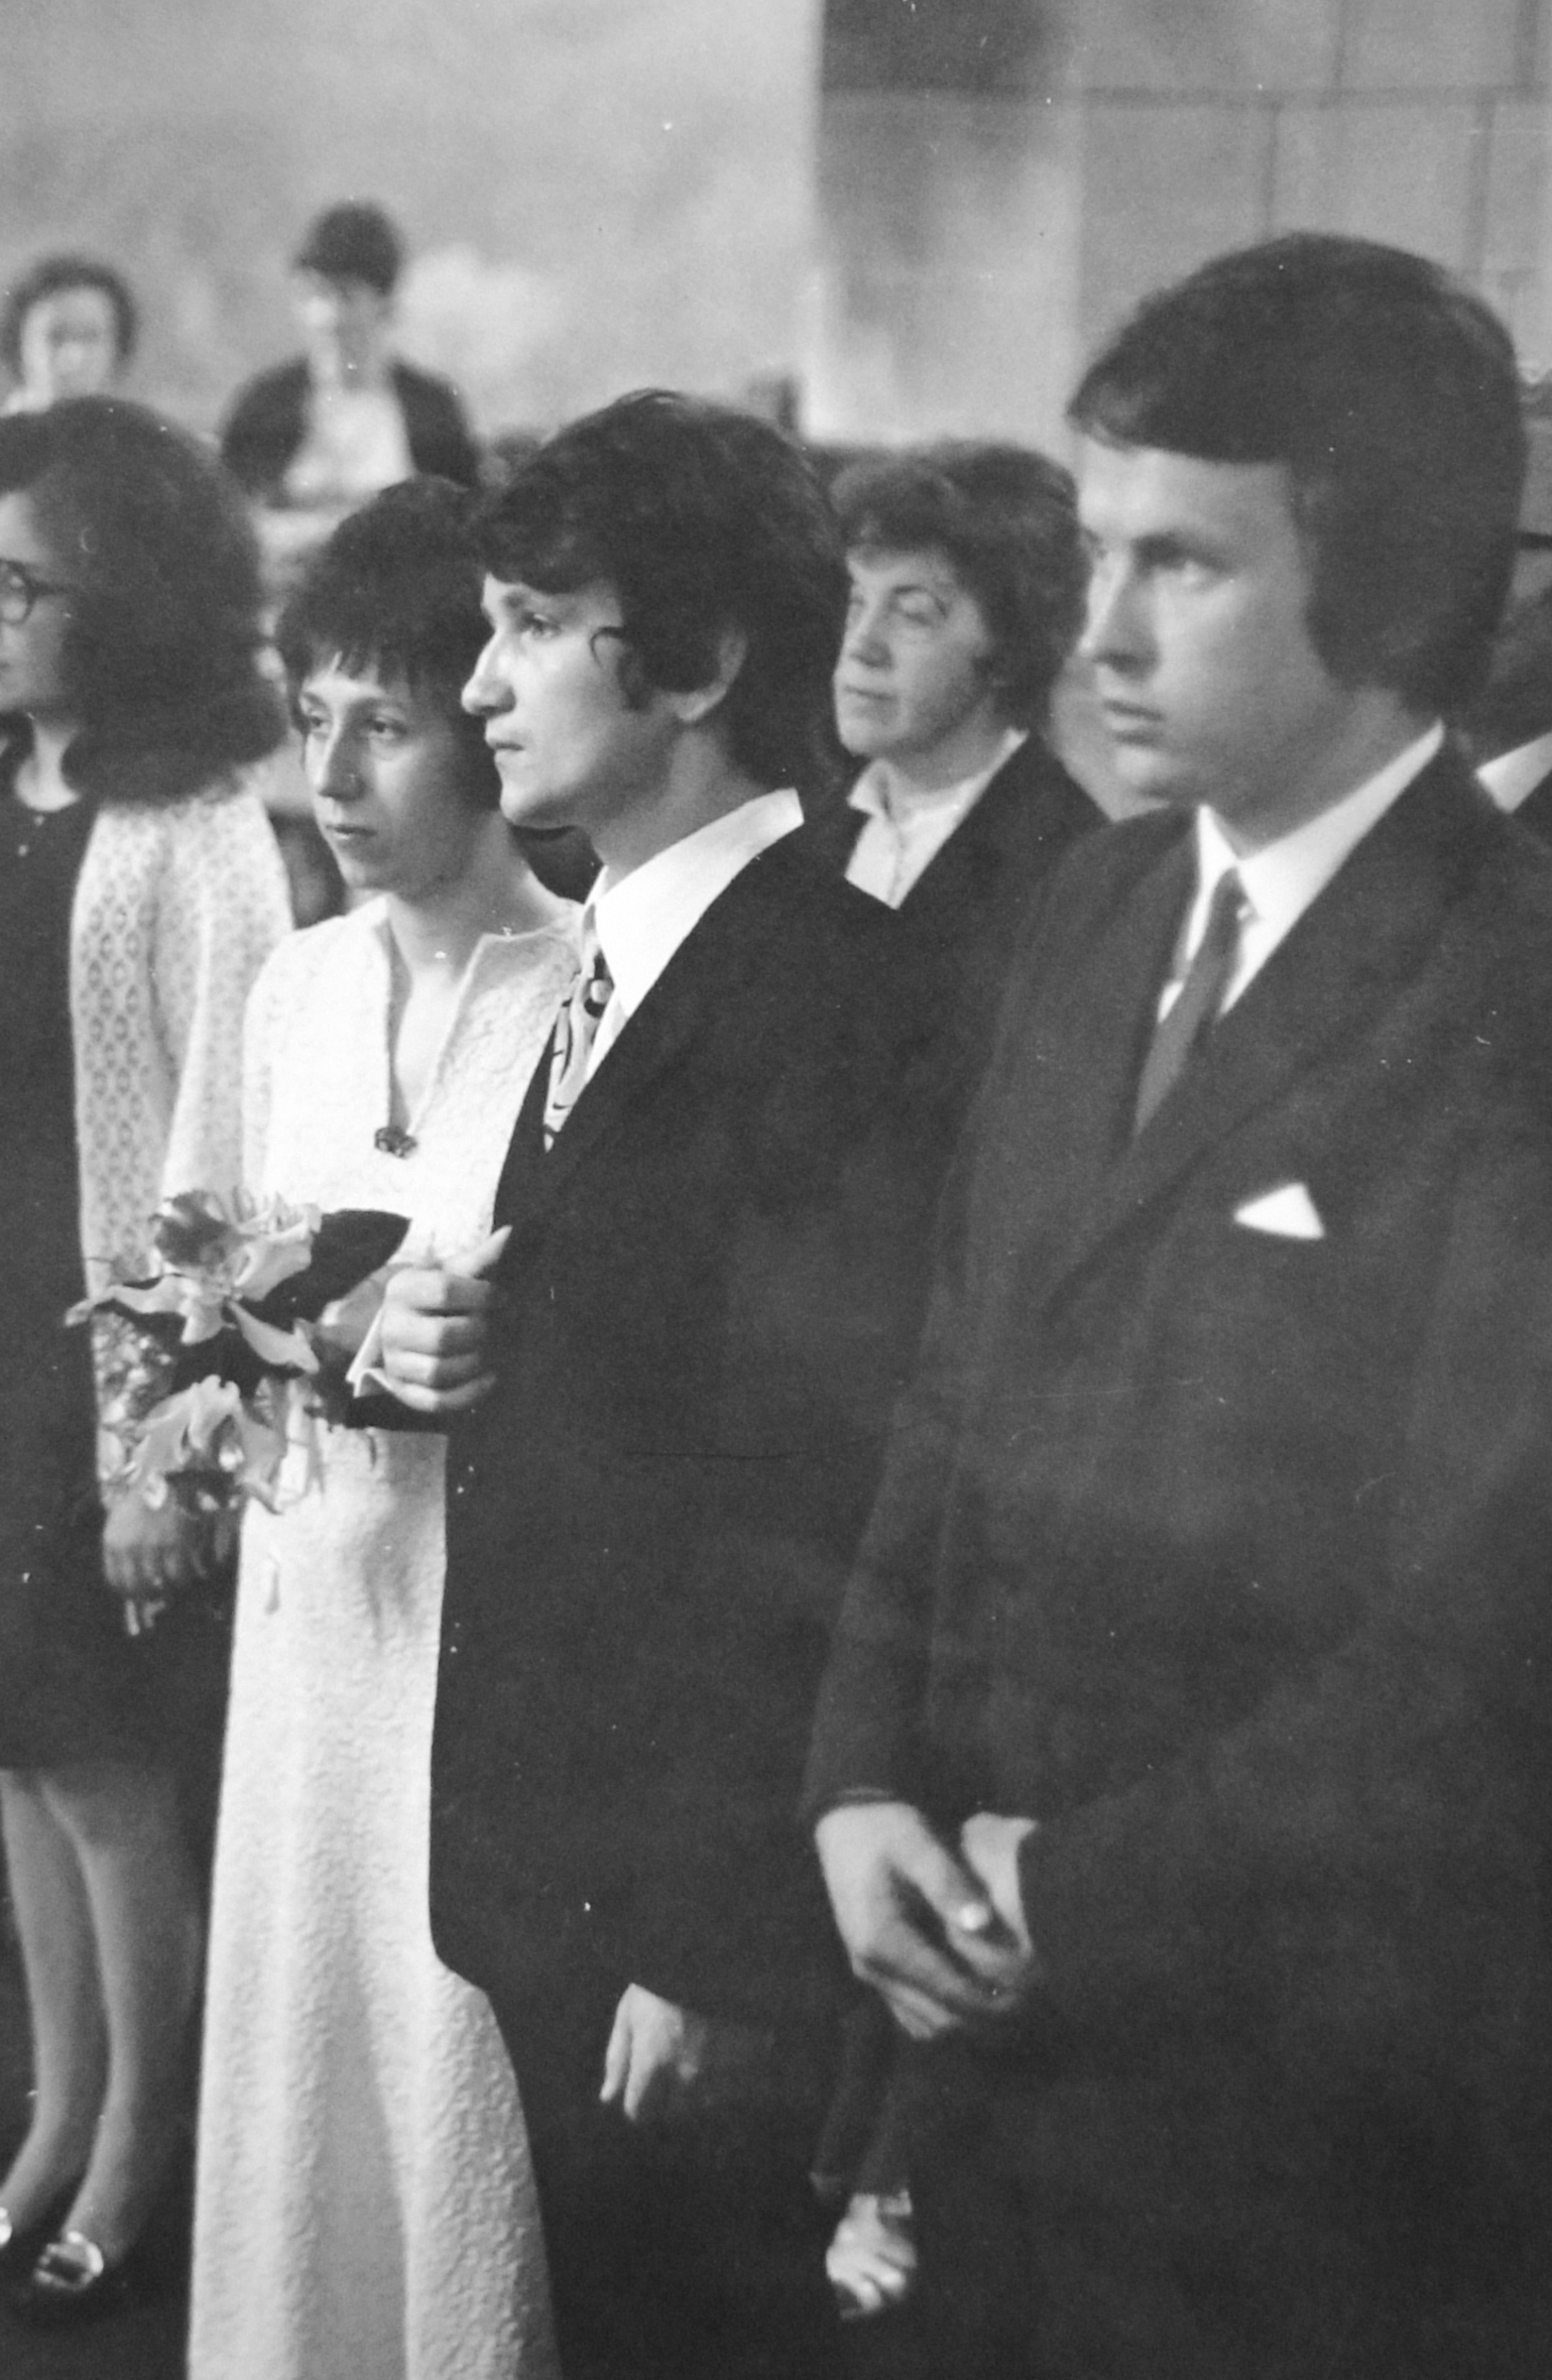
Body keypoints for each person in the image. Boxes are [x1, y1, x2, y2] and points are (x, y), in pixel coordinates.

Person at [809, 233, 1552, 2379]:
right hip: (983, 2041)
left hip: (1307, 2111)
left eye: (1186, 565)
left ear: (1387, 595)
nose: (1103, 632)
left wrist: (1068, 1898)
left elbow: (1483, 1635)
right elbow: (950, 1396)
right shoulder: (1104, 899)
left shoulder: (1511, 989)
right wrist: (856, 1783)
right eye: (1099, 551)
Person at [369, 390, 886, 2378]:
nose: (479, 686)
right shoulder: (617, 952)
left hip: (680, 1907)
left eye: (528, 625)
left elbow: (815, 1501)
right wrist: (448, 1351)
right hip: (555, 1849)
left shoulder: (837, 994)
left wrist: (709, 1939)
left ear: (698, 659)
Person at [0, 398, 290, 2324]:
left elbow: (227, 1160)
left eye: (15, 585)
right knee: (18, 1758)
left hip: (90, 1369)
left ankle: (140, 2148)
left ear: (122, 597)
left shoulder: (195, 831)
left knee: (107, 1774)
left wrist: (163, 1442)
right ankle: (54, 2116)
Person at [187, 478, 571, 2380]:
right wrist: (241, 1356)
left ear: (488, 725)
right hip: (307, 1615)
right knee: (302, 2068)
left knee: (446, 2063)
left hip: (467, 1631)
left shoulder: (585, 989)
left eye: (387, 724)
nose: (329, 776)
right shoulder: (297, 985)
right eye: (311, 716)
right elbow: (204, 1286)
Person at [805, 435, 1098, 2317]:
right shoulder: (822, 832)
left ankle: (889, 2176)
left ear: (1008, 648)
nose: (863, 645)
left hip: (928, 1416)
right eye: (855, 603)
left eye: (916, 612)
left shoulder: (1062, 867)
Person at [220, 201, 479, 585]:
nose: (327, 317)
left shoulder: (432, 408)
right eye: (313, 295)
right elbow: (226, 517)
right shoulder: (264, 404)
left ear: (385, 304)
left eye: (346, 296)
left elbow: (463, 528)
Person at [0, 253, 139, 412]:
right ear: (18, 346)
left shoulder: (145, 427)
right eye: (56, 338)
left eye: (90, 337)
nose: (73, 359)